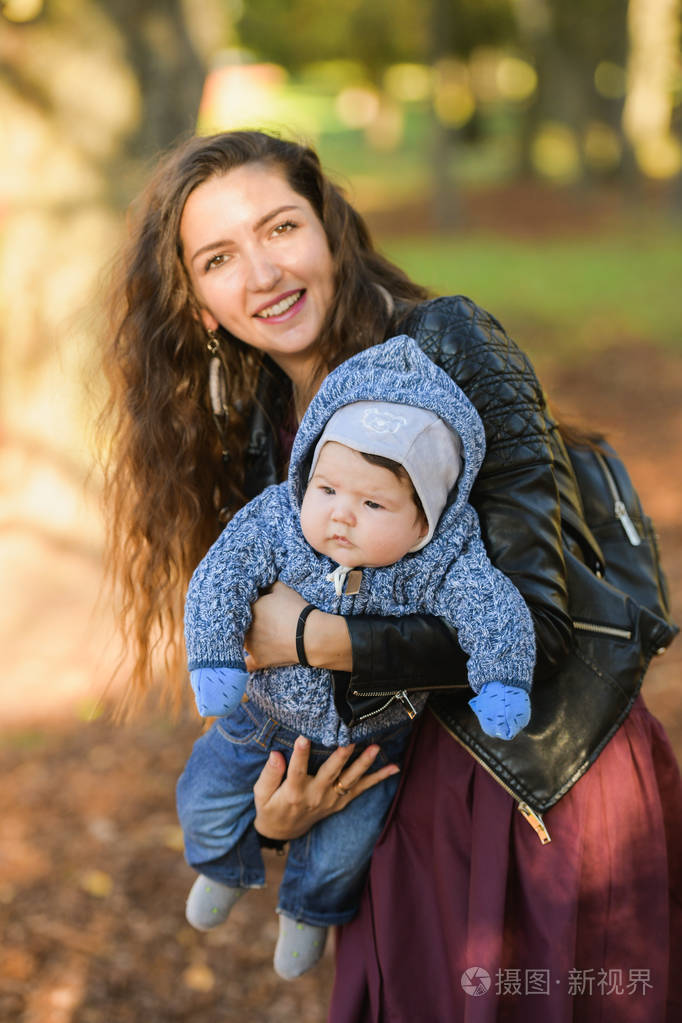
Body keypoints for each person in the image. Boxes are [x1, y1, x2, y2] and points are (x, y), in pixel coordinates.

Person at [101, 130, 682, 1021]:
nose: (262, 272)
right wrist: (278, 817)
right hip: (387, 806)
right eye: (220, 258)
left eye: (281, 227)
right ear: (202, 304)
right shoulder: (261, 423)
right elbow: (278, 675)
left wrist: (309, 636)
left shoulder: (450, 341)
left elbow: (537, 622)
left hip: (530, 784)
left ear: (330, 230)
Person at [178, 334, 535, 978]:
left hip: (374, 734)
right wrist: (214, 657)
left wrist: (503, 680)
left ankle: (308, 915)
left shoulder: (445, 560)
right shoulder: (276, 522)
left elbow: (495, 609)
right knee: (206, 795)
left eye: (372, 503)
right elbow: (219, 576)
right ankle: (218, 865)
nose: (341, 516)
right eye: (328, 489)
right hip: (261, 714)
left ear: (425, 522)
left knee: (344, 848)